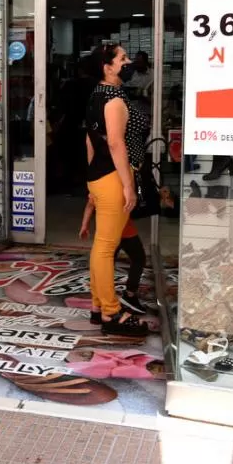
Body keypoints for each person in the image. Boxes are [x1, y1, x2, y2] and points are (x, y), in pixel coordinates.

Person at [83, 44, 150, 336]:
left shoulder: (97, 95)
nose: (129, 62)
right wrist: (127, 185)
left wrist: (91, 178)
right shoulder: (114, 100)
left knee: (102, 245)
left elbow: (90, 141)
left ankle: (99, 307)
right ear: (107, 67)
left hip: (99, 175)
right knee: (106, 247)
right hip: (112, 176)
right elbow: (115, 143)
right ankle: (112, 313)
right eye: (122, 59)